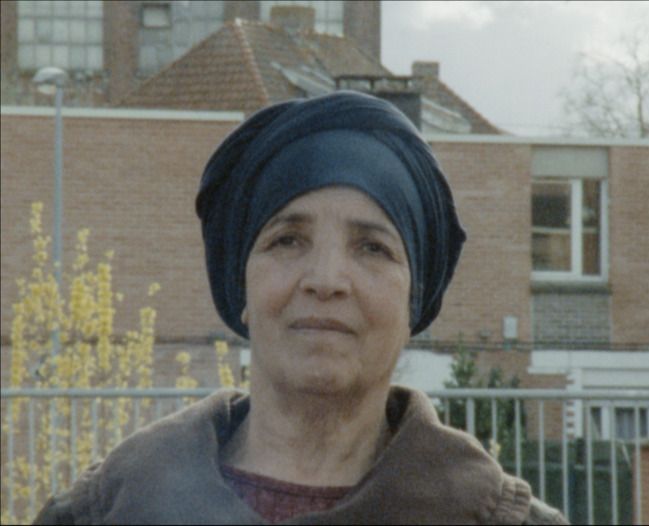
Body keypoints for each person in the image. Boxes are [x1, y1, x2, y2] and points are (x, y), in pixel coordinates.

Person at [34, 91, 568, 525]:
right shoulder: (103, 514)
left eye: (372, 248)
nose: (326, 280)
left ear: (414, 301)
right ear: (240, 284)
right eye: (288, 241)